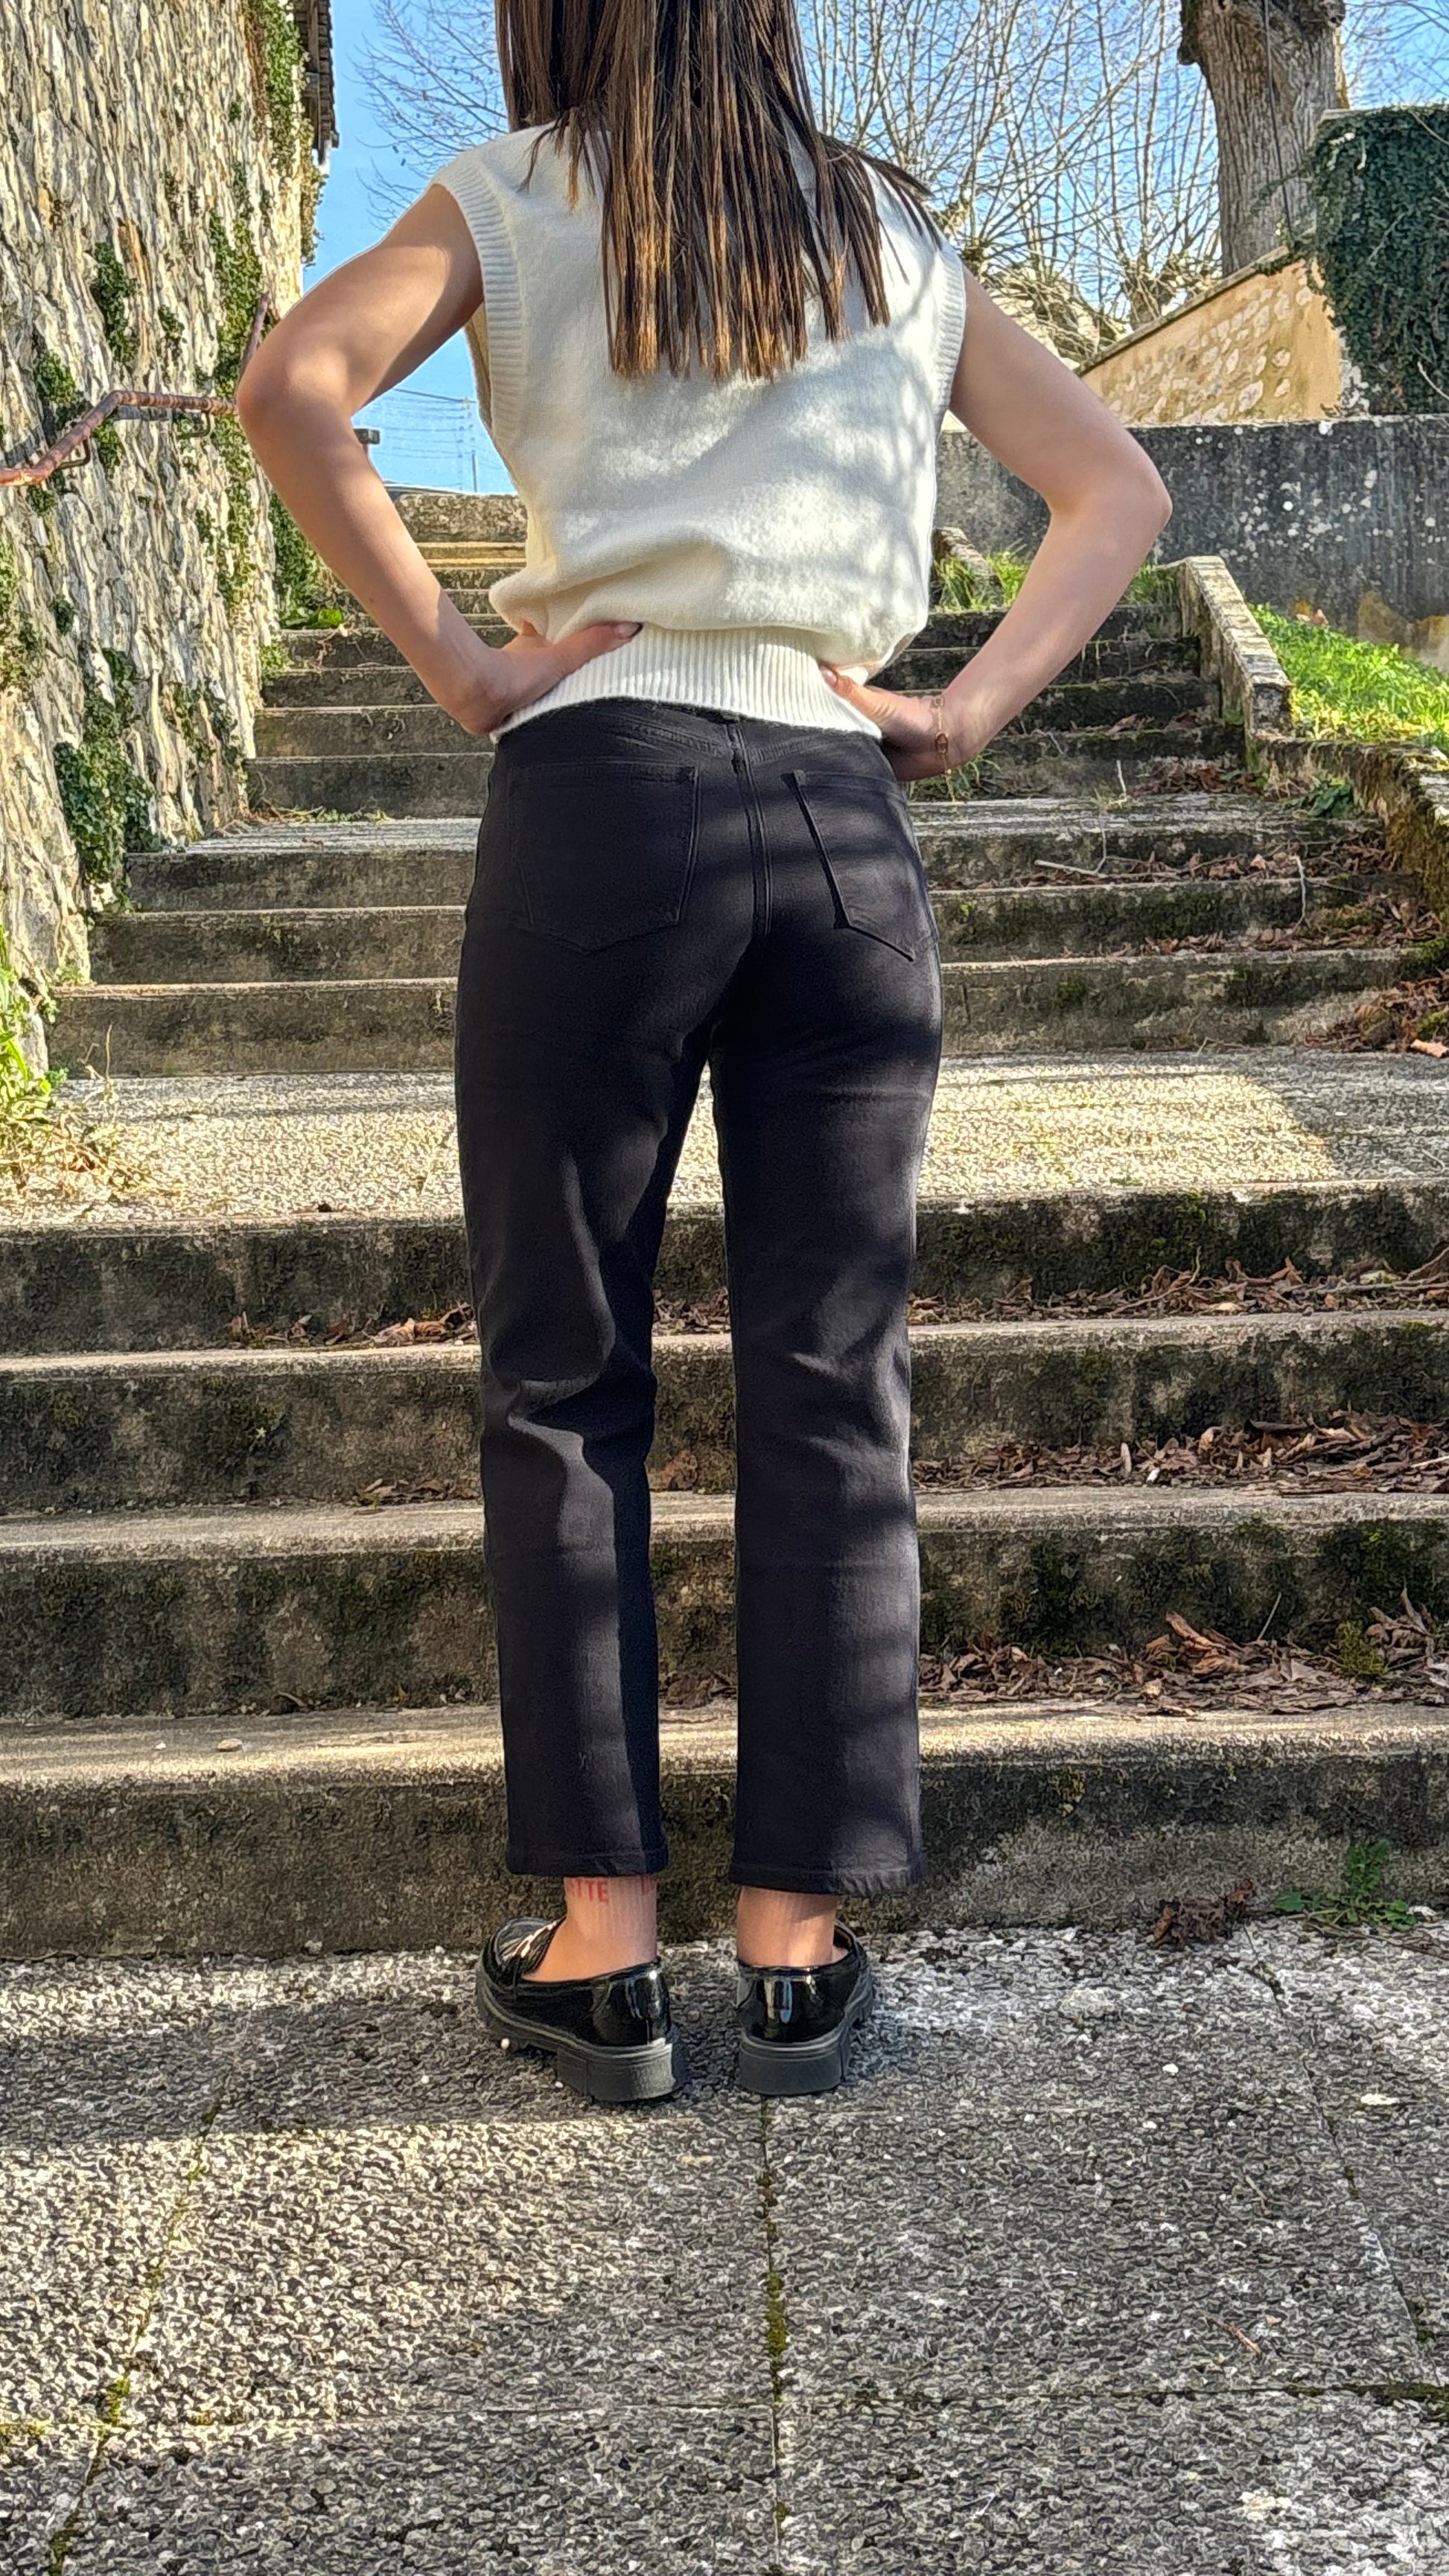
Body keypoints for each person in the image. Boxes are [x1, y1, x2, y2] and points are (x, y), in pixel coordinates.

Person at [237, 0, 1170, 2108]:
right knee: (833, 1382)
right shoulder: (887, 235)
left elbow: (292, 386)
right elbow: (1113, 485)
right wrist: (963, 709)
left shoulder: (517, 194)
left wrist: (463, 663)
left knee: (564, 1374)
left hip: (603, 796)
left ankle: (602, 1951)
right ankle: (798, 1954)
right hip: (841, 819)